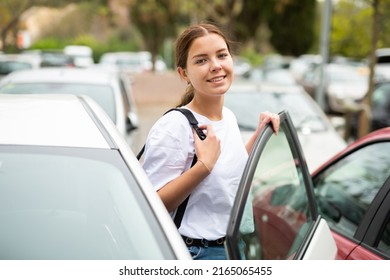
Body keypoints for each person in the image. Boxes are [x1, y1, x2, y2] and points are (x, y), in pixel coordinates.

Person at [141, 22, 280, 260]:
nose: (216, 66)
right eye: (201, 60)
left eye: (221, 55)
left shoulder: (228, 117)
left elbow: (228, 173)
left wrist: (258, 136)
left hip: (233, 248)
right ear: (183, 73)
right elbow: (150, 204)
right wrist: (203, 167)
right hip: (197, 253)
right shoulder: (175, 127)